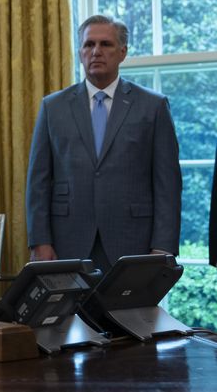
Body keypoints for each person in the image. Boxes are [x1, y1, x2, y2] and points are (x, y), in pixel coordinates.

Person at [26, 14, 182, 271]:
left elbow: (168, 185)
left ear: (122, 52)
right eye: (89, 45)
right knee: (68, 313)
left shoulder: (153, 107)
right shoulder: (53, 107)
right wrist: (39, 240)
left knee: (129, 312)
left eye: (105, 44)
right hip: (67, 241)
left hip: (133, 242)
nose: (96, 51)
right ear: (80, 52)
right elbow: (38, 181)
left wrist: (163, 246)